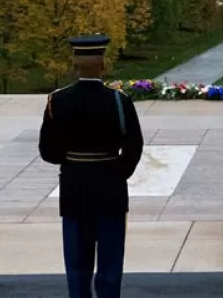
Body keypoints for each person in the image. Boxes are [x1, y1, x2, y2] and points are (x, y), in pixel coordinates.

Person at [38, 34, 145, 298]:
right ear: (103, 64)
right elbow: (134, 146)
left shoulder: (58, 101)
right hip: (110, 188)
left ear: (75, 63)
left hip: (74, 187)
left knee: (77, 263)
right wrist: (118, 173)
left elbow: (48, 151)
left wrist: (72, 160)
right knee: (110, 261)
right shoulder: (120, 101)